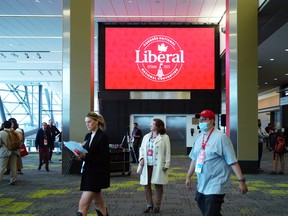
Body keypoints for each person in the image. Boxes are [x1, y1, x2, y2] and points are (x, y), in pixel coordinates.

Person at [185, 110, 248, 216]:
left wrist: (241, 181)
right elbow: (194, 159)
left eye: (203, 119)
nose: (200, 122)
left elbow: (232, 161)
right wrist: (188, 176)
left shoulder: (221, 138)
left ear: (211, 121)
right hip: (202, 183)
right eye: (199, 120)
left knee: (210, 213)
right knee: (207, 211)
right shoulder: (199, 137)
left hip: (216, 183)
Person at [75, 112, 110, 216]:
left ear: (96, 121)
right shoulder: (88, 136)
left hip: (96, 175)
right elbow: (87, 154)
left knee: (82, 206)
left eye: (89, 122)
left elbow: (103, 159)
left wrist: (85, 156)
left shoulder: (102, 136)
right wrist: (80, 155)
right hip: (88, 172)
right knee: (98, 204)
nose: (87, 124)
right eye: (86, 122)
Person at [138, 118, 171, 214]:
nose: (150, 125)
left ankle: (157, 205)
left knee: (158, 185)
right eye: (150, 124)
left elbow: (168, 152)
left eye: (152, 124)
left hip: (159, 165)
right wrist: (141, 159)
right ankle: (149, 204)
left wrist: (167, 164)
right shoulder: (146, 137)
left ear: (158, 126)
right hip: (147, 165)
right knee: (146, 184)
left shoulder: (165, 137)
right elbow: (141, 149)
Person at [0, 121, 19, 185]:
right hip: (14, 151)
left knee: (2, 167)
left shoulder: (1, 133)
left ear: (3, 125)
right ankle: (13, 179)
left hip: (5, 152)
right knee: (13, 166)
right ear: (11, 125)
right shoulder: (15, 132)